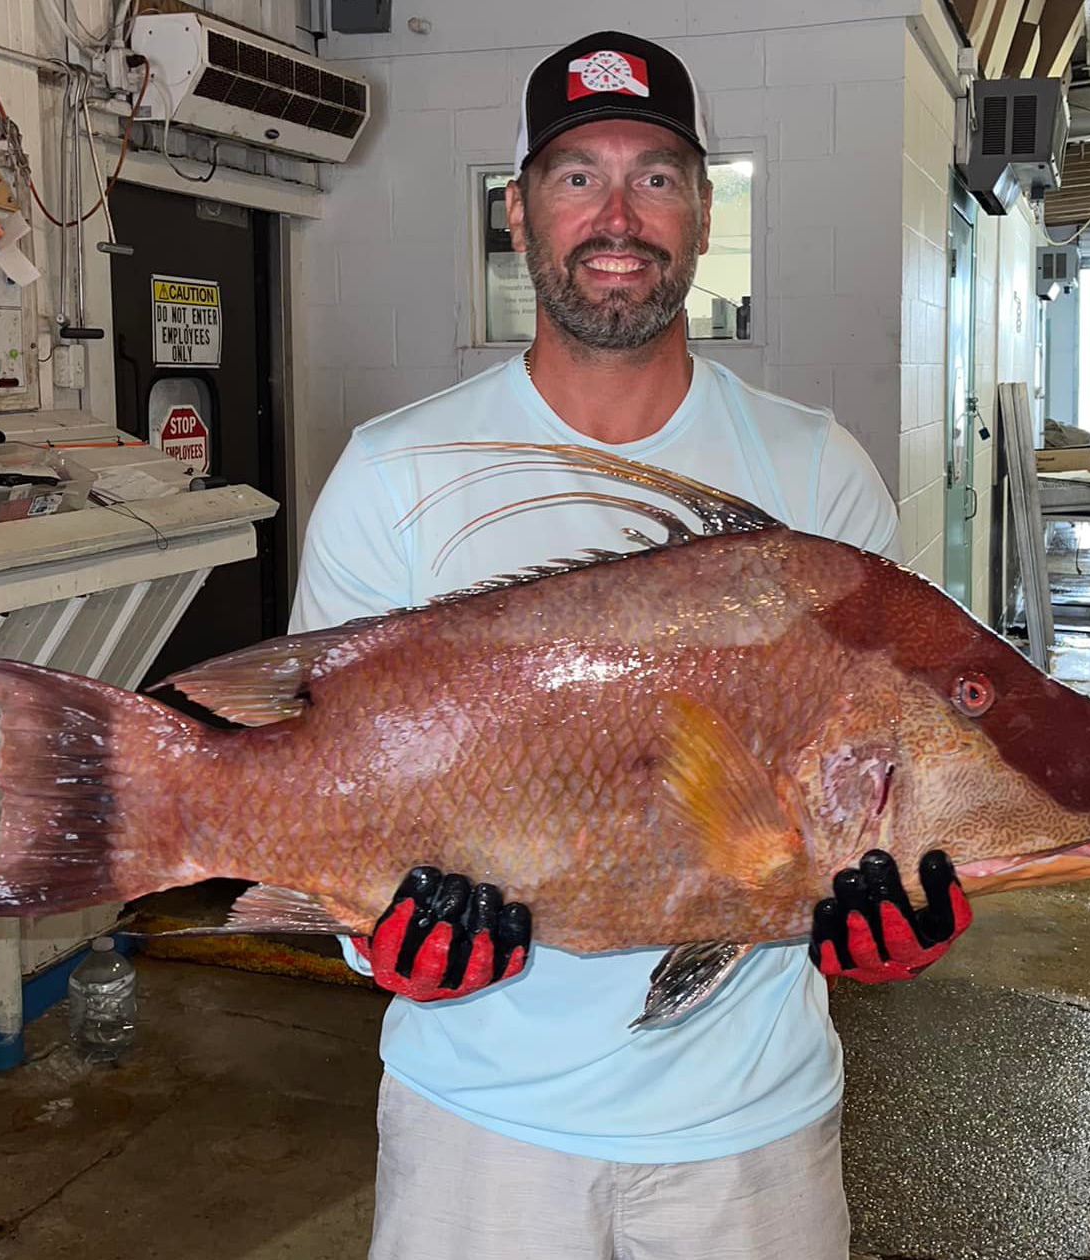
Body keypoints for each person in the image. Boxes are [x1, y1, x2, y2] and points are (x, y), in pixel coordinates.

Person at [290, 31, 973, 1259]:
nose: (618, 215)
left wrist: (904, 904)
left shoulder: (818, 474)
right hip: (476, 1133)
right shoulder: (393, 474)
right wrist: (374, 942)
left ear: (704, 212)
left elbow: (887, 770)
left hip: (752, 1137)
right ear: (517, 212)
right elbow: (322, 773)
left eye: (655, 177)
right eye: (577, 176)